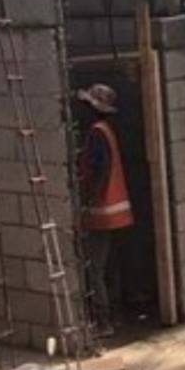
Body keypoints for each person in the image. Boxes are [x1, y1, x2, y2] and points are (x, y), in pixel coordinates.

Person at [75, 83, 134, 338]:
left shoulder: (97, 133)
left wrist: (87, 199)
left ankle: (103, 321)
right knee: (111, 266)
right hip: (118, 213)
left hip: (102, 213)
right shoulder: (108, 130)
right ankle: (116, 315)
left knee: (95, 268)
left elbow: (98, 172)